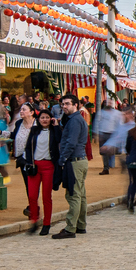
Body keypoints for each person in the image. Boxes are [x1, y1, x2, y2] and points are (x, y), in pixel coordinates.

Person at [52, 93, 90, 237]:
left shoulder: (74, 121)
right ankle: (80, 225)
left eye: (67, 104)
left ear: (76, 105)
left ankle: (70, 228)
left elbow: (70, 143)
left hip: (74, 161)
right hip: (80, 160)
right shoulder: (75, 119)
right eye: (62, 104)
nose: (64, 106)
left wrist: (62, 160)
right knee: (81, 195)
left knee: (73, 195)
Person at [20, 107, 58, 232]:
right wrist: (29, 162)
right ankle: (34, 220)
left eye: (47, 117)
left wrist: (56, 125)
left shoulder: (54, 131)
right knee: (32, 195)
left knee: (46, 196)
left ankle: (47, 223)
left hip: (49, 166)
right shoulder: (34, 130)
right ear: (38, 119)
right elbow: (28, 147)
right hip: (35, 166)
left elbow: (60, 140)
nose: (45, 120)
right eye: (42, 117)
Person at [95, 98, 127, 174]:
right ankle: (106, 168)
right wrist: (96, 133)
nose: (108, 104)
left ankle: (122, 163)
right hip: (103, 134)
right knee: (104, 152)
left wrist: (119, 133)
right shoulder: (101, 112)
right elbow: (97, 122)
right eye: (107, 102)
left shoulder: (116, 113)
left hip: (113, 134)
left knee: (117, 151)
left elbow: (120, 123)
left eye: (110, 103)